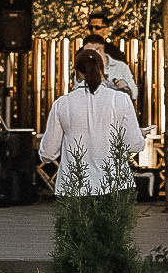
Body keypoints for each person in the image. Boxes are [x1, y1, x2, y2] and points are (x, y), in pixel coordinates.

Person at [43, 48, 145, 196]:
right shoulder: (121, 99)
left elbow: (48, 152)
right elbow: (134, 145)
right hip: (113, 185)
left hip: (74, 187)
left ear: (77, 73)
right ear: (102, 71)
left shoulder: (62, 104)